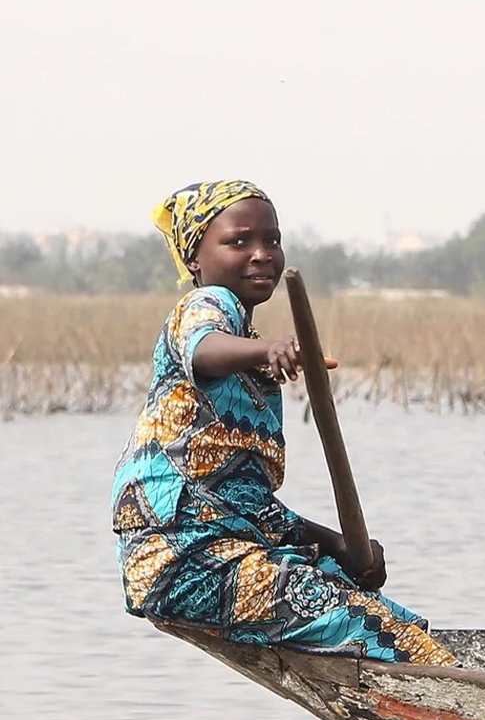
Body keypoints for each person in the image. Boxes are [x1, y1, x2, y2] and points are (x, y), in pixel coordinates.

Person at [111, 179, 456, 669]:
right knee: (370, 628)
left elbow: (245, 502)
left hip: (221, 547)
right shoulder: (207, 305)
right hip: (182, 561)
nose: (261, 255)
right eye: (238, 242)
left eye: (271, 240)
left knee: (369, 603)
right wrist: (267, 348)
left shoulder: (246, 361)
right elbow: (202, 345)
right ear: (195, 259)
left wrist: (341, 546)